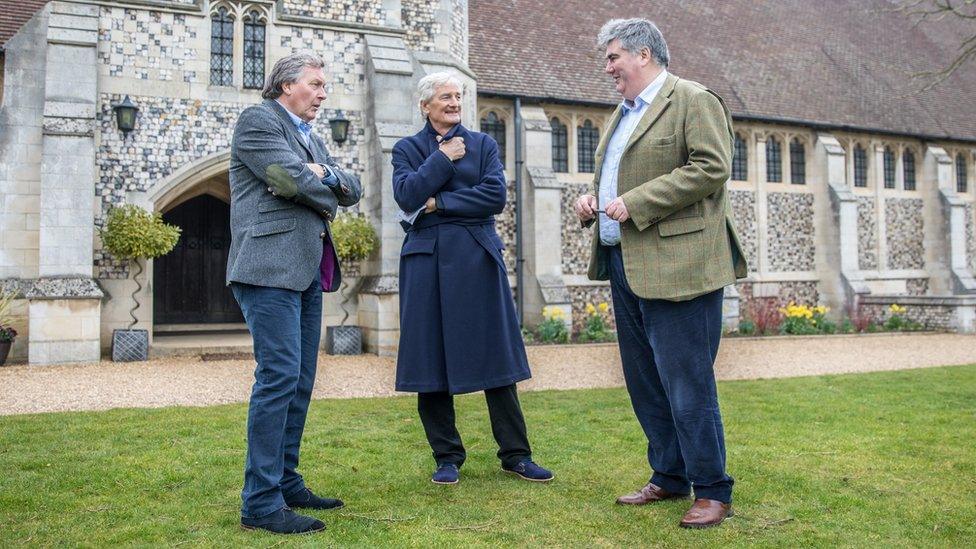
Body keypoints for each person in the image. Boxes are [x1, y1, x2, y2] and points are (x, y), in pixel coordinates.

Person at [573, 19, 747, 529]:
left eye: (613, 57)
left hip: (680, 265)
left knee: (688, 382)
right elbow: (617, 179)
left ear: (644, 54)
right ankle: (669, 476)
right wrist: (593, 201)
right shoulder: (622, 114)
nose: (607, 68)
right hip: (625, 264)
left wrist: (634, 201)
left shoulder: (694, 100)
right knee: (645, 381)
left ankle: (713, 489)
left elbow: (711, 167)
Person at [391, 71, 553, 486]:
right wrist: (443, 159)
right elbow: (407, 195)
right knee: (430, 360)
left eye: (458, 96)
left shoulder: (483, 144)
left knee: (496, 357)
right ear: (425, 105)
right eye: (445, 97)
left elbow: (494, 197)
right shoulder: (407, 149)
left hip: (477, 257)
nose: (453, 103)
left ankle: (516, 455)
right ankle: (447, 457)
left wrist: (439, 201)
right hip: (426, 263)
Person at [226, 50, 362, 535]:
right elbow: (285, 177)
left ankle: (285, 480)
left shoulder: (308, 136)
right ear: (286, 85)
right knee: (279, 376)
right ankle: (260, 504)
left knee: (300, 380)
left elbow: (354, 189)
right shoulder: (257, 122)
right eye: (317, 84)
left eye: (325, 86)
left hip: (305, 270)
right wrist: (321, 177)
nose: (324, 93)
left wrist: (321, 176)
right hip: (267, 269)